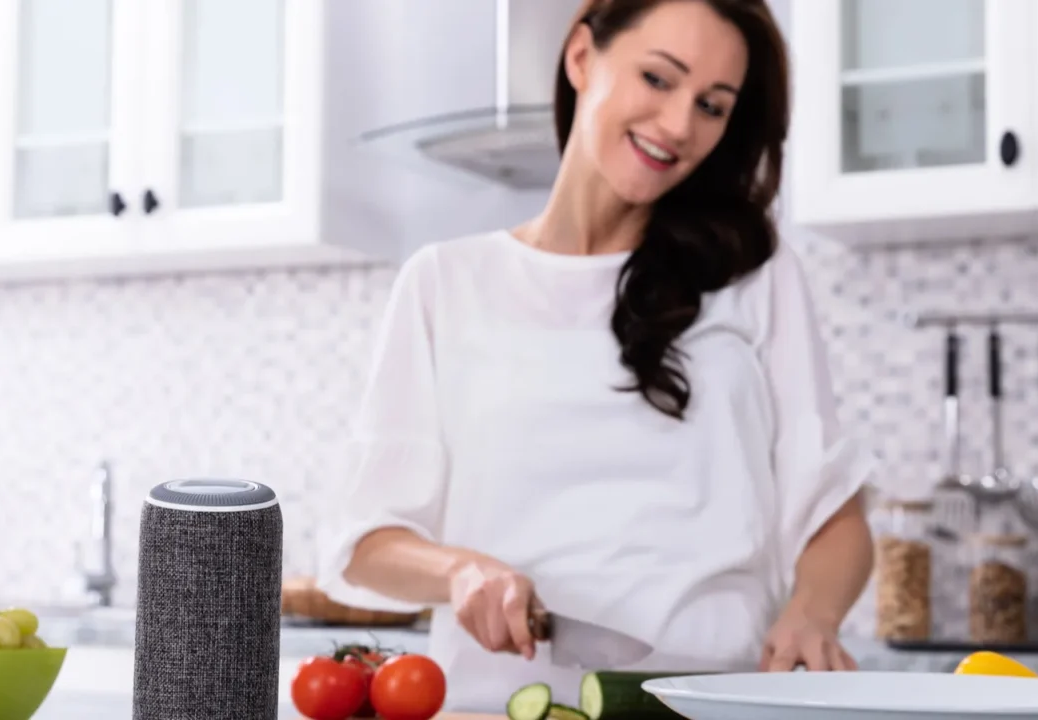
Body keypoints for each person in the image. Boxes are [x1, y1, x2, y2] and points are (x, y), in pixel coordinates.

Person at [316, 0, 876, 711]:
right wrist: (460, 571)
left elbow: (835, 515)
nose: (679, 125)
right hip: (495, 706)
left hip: (714, 704)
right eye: (657, 78)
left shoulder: (754, 274)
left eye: (712, 104)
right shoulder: (443, 283)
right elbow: (362, 540)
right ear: (582, 57)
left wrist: (813, 616)